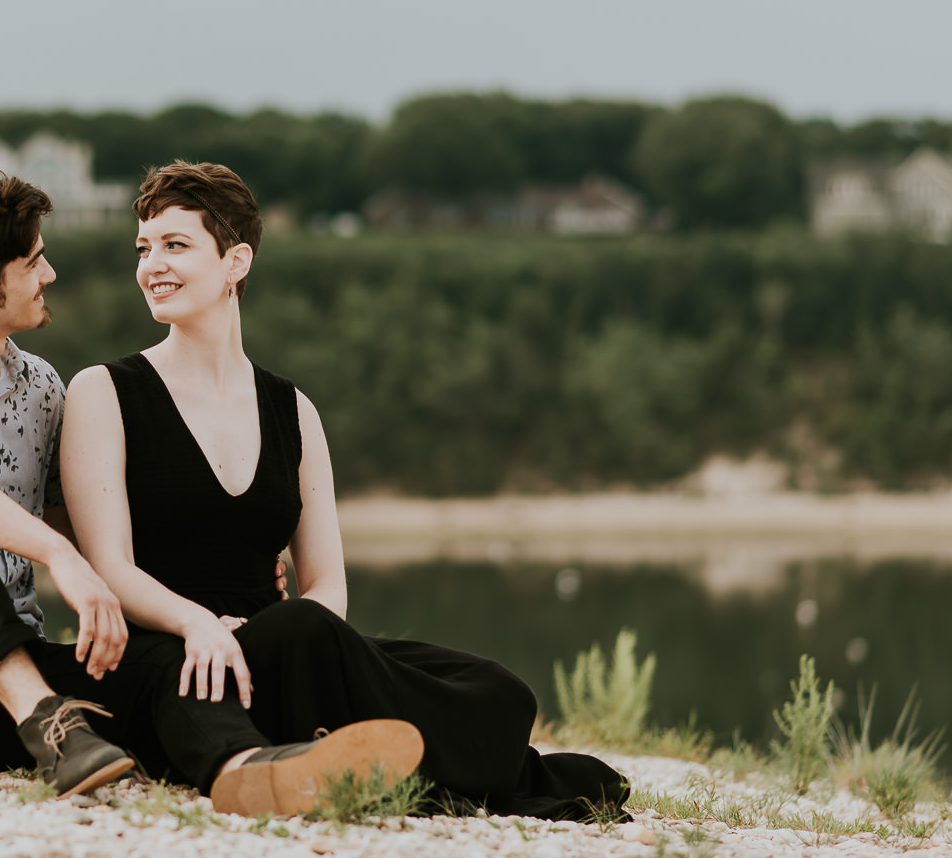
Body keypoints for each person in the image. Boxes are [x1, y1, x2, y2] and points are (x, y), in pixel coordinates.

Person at [0, 173, 424, 812]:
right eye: (33, 262)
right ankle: (47, 722)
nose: (50, 274)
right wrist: (59, 559)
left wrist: (213, 600)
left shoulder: (41, 389)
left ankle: (245, 768)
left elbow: (86, 524)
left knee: (166, 663)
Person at [59, 161, 629, 820]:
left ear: (235, 261)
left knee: (498, 688)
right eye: (144, 247)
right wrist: (197, 622)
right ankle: (351, 763)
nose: (152, 265)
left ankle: (362, 754)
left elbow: (327, 582)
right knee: (302, 631)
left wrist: (265, 630)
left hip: (281, 648)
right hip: (168, 651)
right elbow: (109, 566)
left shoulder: (294, 410)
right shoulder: (104, 391)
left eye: (175, 245)